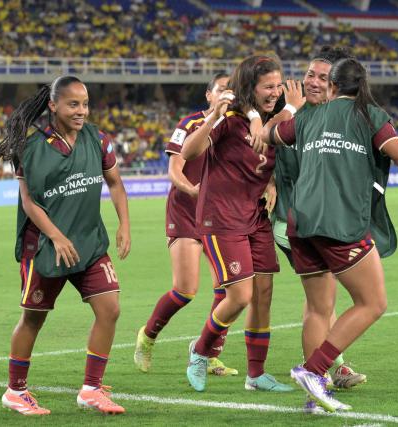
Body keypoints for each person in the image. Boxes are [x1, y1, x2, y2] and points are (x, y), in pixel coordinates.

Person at [257, 57, 398, 412]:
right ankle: (314, 371)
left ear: (333, 85)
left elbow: (266, 135)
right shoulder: (369, 116)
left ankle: (315, 398)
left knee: (318, 309)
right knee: (373, 302)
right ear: (361, 86)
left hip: (300, 225)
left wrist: (290, 108)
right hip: (339, 224)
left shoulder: (305, 117)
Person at [0, 76, 131, 415]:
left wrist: (124, 224)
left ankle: (92, 389)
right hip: (46, 248)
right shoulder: (31, 149)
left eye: (85, 104)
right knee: (33, 319)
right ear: (53, 106)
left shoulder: (97, 139)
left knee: (110, 309)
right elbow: (29, 202)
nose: (82, 111)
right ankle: (15, 391)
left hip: (90, 243)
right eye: (73, 104)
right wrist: (56, 235)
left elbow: (116, 183)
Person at [252, 47, 367, 404]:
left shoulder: (339, 117)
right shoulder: (295, 111)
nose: (314, 82)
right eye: (311, 75)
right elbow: (262, 137)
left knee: (322, 301)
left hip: (325, 220)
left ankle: (324, 368)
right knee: (321, 301)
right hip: (296, 221)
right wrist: (270, 181)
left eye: (323, 77)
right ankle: (319, 371)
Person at [180, 55, 301, 393]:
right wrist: (212, 117)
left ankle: (256, 375)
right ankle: (200, 351)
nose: (276, 92)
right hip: (220, 217)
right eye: (268, 86)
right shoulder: (231, 117)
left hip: (255, 216)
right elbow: (190, 152)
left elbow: (268, 157)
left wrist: (272, 182)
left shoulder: (271, 120)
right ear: (251, 86)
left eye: (279, 85)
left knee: (263, 295)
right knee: (240, 295)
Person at [134, 73, 238, 377]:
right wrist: (192, 190)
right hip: (186, 212)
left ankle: (207, 352)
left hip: (219, 214)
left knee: (228, 290)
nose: (226, 95)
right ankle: (148, 336)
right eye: (221, 90)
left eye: (231, 91)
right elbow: (175, 168)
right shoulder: (189, 124)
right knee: (185, 290)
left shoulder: (236, 126)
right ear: (209, 95)